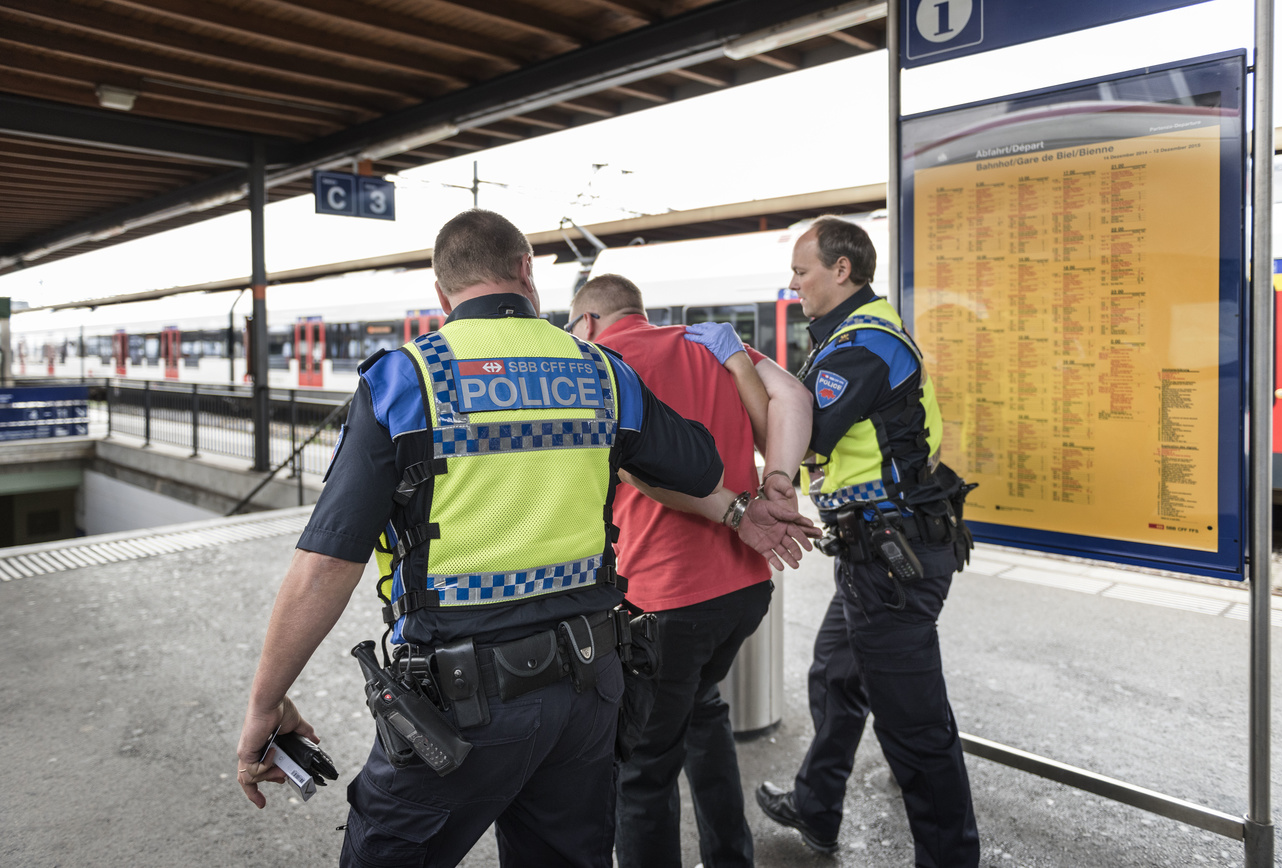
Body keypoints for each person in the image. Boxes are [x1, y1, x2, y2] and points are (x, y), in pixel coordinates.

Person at [234, 209, 813, 868]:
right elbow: (701, 464)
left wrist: (264, 703)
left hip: (452, 710)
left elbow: (325, 568)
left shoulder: (404, 383)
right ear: (526, 272)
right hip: (587, 697)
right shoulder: (601, 373)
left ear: (441, 292)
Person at [567, 274, 817, 868]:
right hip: (744, 588)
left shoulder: (596, 362)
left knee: (644, 768)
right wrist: (777, 480)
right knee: (704, 716)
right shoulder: (711, 344)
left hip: (661, 600)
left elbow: (631, 472)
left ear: (588, 322)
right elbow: (795, 399)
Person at [755, 216, 979, 867]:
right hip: (874, 556)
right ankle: (817, 806)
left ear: (842, 269)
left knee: (915, 731)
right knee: (835, 676)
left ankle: (949, 858)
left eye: (802, 271)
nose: (794, 283)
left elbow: (809, 434)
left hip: (892, 560)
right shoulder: (856, 338)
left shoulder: (863, 345)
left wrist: (749, 371)